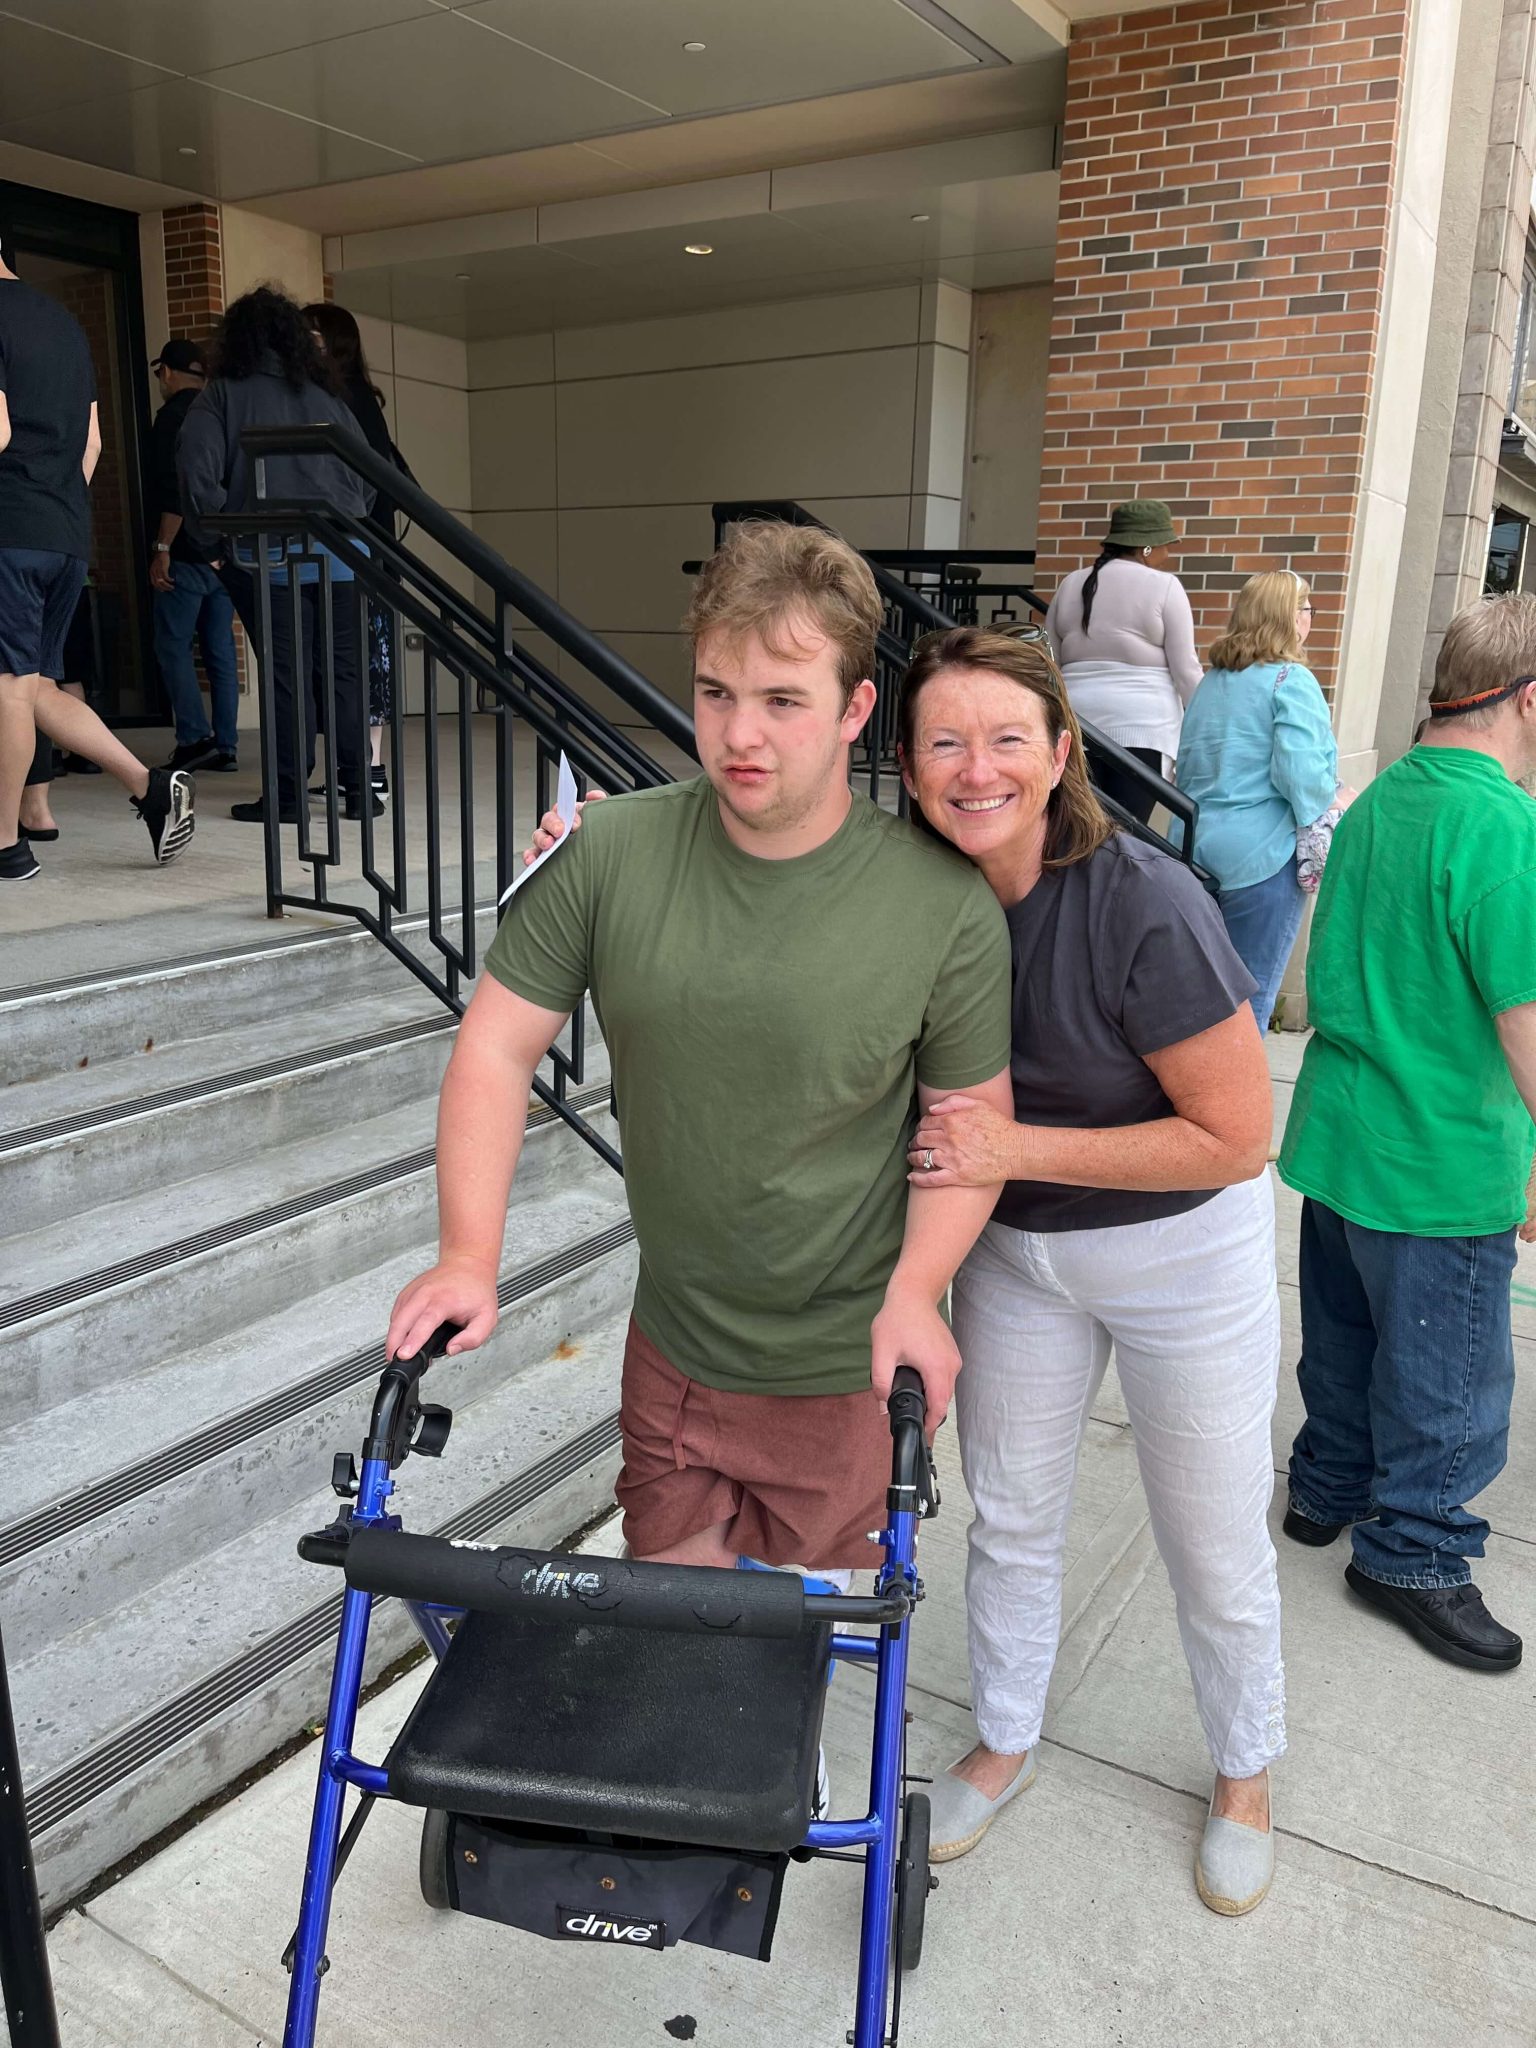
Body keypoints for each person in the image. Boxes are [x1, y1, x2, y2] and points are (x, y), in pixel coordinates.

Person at [387, 521, 1014, 1601]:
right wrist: (465, 1251)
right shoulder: (605, 850)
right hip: (673, 1351)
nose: (739, 733)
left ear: (856, 708)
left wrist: (920, 1289)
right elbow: (494, 1044)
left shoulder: (940, 903)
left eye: (782, 699)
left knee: (792, 1676)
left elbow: (969, 1124)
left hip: (843, 1371)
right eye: (717, 692)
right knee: (676, 1661)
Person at [894, 628, 1283, 1916]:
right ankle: (1006, 1735)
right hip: (1013, 1250)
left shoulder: (1145, 900)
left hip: (1181, 1249)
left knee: (1213, 1533)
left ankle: (1244, 1770)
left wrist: (1014, 1142)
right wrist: (605, 836)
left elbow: (1239, 1135)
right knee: (1009, 1517)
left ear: (1064, 753)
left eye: (1008, 737)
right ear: (904, 763)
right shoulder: (905, 882)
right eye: (944, 739)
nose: (975, 766)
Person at [1279, 593, 1536, 1673]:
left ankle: (1326, 1486)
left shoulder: (1379, 798)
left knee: (1343, 1338)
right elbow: (1526, 1020)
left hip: (1341, 1140)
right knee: (1449, 1381)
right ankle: (1417, 1549)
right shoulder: (1504, 824)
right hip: (1439, 1162)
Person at [0, 252, 193, 883]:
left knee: (8, 688)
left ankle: (5, 846)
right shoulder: (61, 322)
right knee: (37, 688)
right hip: (63, 531)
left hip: (9, 527)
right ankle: (150, 786)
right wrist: (56, 504)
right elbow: (93, 444)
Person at [176, 285, 378, 825]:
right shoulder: (325, 396)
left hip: (269, 556)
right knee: (342, 671)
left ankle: (289, 797)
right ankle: (359, 790)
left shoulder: (221, 395)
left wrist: (215, 540)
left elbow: (197, 475)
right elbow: (370, 477)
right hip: (342, 550)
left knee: (287, 675)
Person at [1174, 571, 1339, 1030]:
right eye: (1307, 610)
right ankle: (1233, 1103)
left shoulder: (1212, 682)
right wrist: (1332, 794)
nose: (1310, 620)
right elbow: (1301, 777)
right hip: (1261, 857)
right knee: (1248, 1003)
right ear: (1290, 618)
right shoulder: (1291, 679)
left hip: (1193, 850)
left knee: (1192, 1000)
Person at [305, 302, 407, 801]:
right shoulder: (353, 395)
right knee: (360, 659)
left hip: (362, 550)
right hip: (366, 549)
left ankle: (368, 768)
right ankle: (365, 768)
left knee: (363, 659)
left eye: (314, 335)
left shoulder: (348, 397)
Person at [1044, 500, 1201, 822]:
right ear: (1146, 547)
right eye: (1165, 546)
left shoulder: (1070, 583)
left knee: (1079, 828)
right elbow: (1186, 672)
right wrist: (1205, 724)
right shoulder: (1165, 586)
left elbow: (1051, 662)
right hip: (1143, 728)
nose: (1167, 554)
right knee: (1126, 833)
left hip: (1077, 725)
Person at [147, 337, 240, 774]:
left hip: (185, 553)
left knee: (173, 645)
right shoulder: (218, 415)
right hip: (223, 554)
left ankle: (192, 737)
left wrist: (162, 548)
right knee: (220, 649)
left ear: (166, 371)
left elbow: (175, 491)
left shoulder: (171, 419)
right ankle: (226, 744)